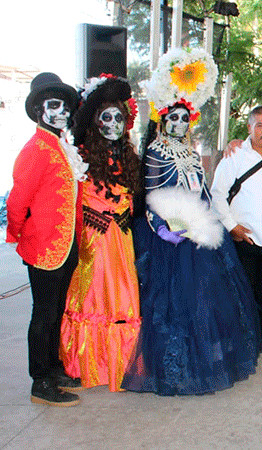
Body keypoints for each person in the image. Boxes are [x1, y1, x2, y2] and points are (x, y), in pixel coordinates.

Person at [122, 48, 260, 395]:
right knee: (172, 303)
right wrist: (167, 228)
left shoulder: (190, 151)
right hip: (169, 236)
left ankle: (210, 359)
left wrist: (206, 223)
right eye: (174, 119)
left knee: (207, 298)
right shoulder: (156, 151)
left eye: (185, 119)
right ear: (163, 121)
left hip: (199, 234)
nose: (180, 124)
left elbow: (202, 191)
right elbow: (153, 193)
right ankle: (175, 367)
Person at [7, 72, 86, 406]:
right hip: (43, 249)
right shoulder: (36, 148)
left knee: (55, 312)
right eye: (54, 105)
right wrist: (19, 234)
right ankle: (40, 381)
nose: (62, 112)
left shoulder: (61, 146)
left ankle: (53, 369)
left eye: (66, 106)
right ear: (39, 110)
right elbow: (16, 201)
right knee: (43, 314)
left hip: (66, 246)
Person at [59, 75, 141, 392]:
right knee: (91, 300)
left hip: (122, 242)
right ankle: (86, 365)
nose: (113, 124)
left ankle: (121, 365)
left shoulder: (130, 157)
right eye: (106, 117)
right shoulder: (80, 155)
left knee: (124, 301)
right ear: (95, 121)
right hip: (93, 241)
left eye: (118, 117)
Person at [211, 106, 262, 357]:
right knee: (241, 291)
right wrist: (231, 226)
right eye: (260, 125)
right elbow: (217, 194)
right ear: (249, 128)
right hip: (244, 237)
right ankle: (241, 340)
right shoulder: (235, 155)